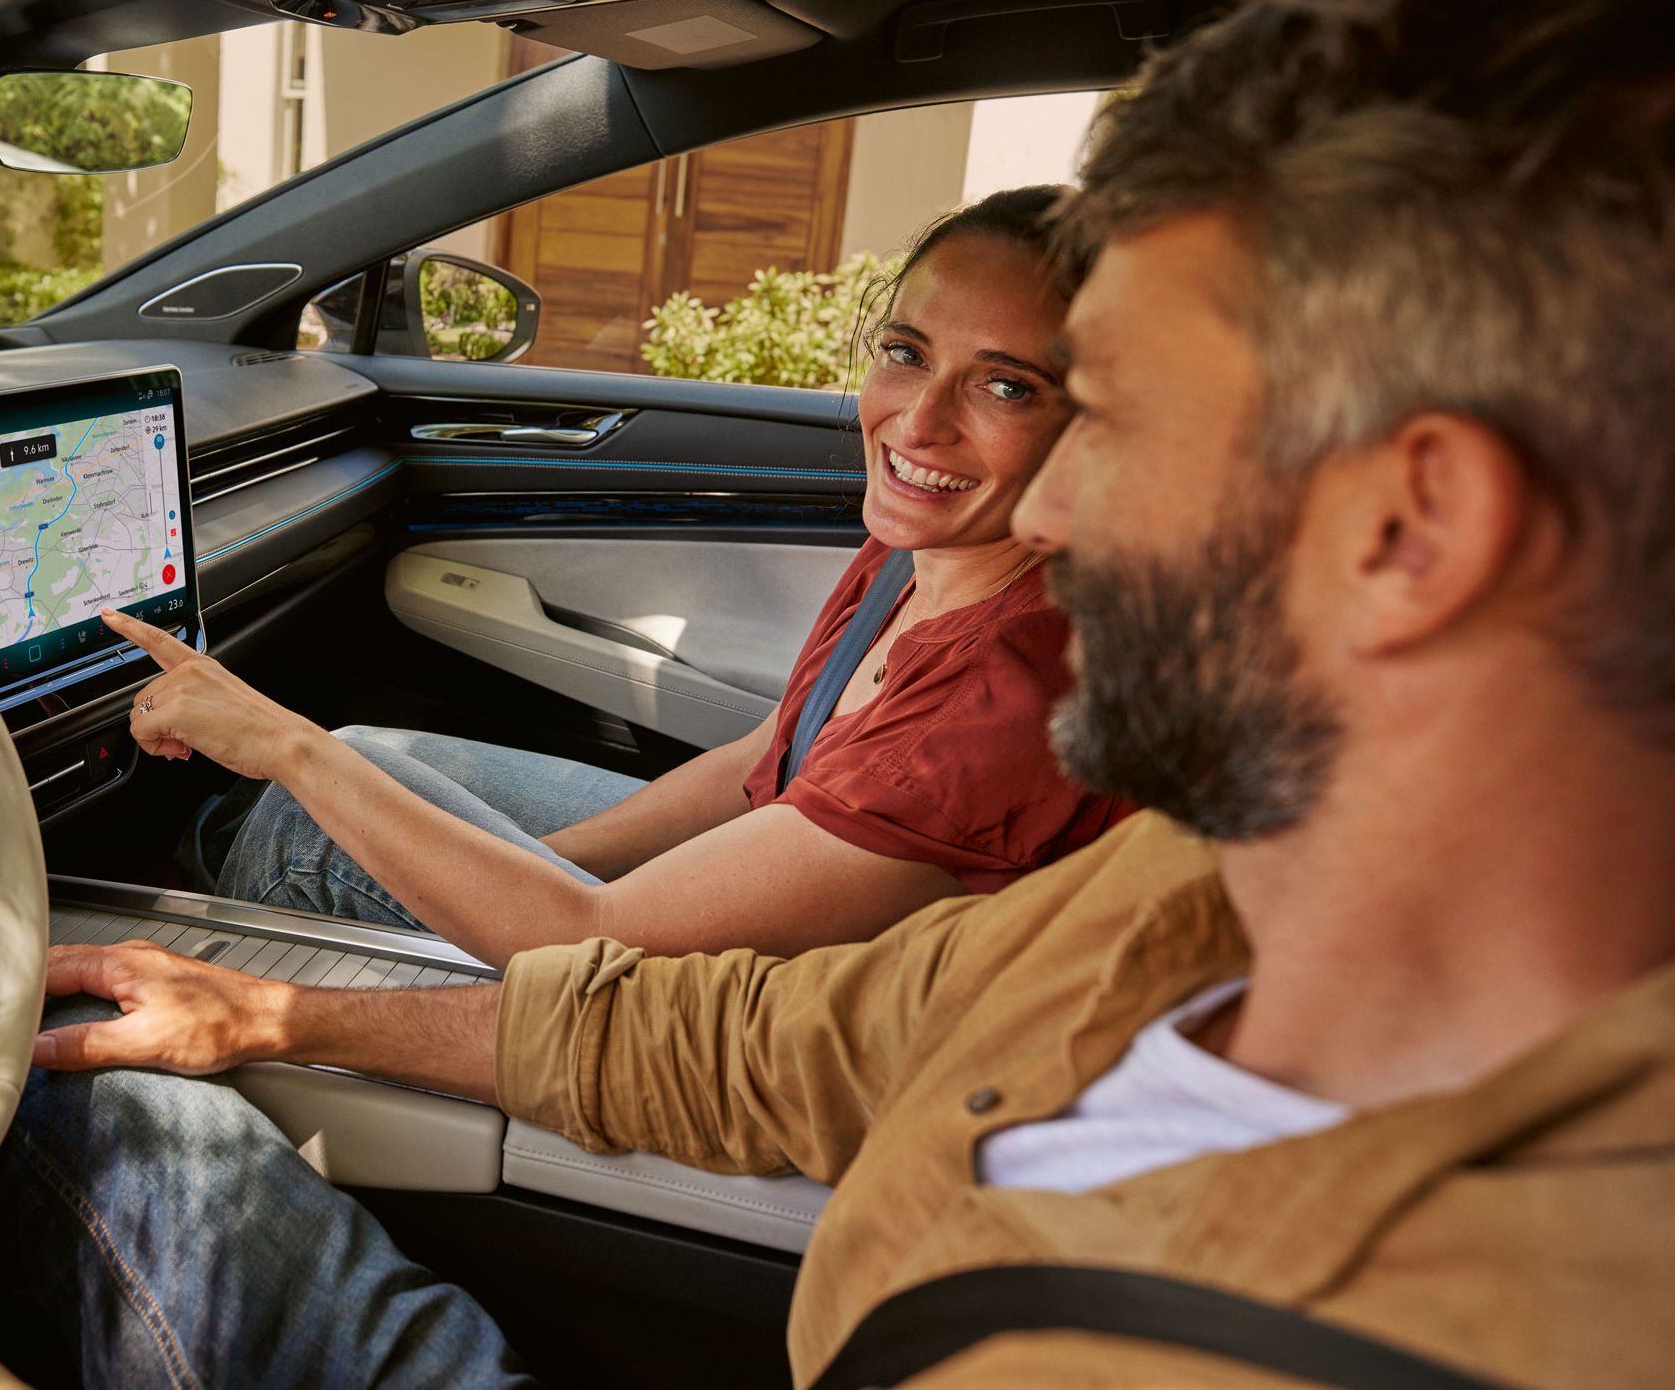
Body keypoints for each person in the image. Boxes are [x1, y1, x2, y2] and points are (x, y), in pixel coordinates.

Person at [0, 0, 1674, 1387]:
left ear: (1407, 528)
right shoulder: (1200, 902)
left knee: (70, 1134)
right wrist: (276, 1027)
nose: (1037, 510)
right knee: (144, 1082)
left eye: (1099, 412)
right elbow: (763, 1050)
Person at [102, 184, 1133, 966]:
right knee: (365, 755)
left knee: (305, 827)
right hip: (759, 876)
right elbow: (771, 755)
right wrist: (555, 851)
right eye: (905, 353)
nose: (917, 422)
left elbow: (593, 932)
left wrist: (282, 746)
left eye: (1005, 385)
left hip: (738, 1016)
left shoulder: (1007, 696)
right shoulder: (931, 547)